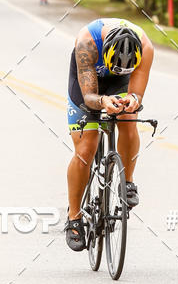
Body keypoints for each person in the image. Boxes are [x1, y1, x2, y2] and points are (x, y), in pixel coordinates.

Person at [65, 18, 154, 251]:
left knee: (128, 118)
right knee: (85, 149)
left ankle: (128, 182)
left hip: (119, 83)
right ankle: (74, 217)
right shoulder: (87, 44)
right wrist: (103, 101)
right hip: (88, 83)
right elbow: (89, 98)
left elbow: (137, 94)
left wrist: (132, 100)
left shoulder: (146, 47)